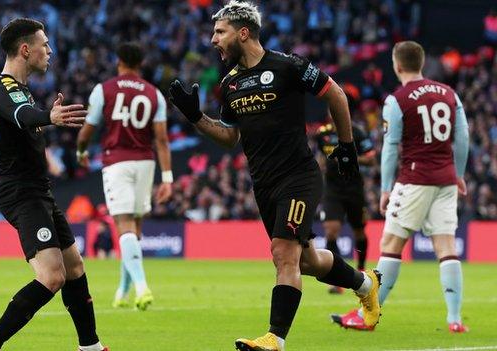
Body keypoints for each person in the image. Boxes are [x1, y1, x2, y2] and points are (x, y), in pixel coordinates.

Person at [168, 2, 380, 350]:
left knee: (283, 254)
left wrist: (346, 146)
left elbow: (336, 94)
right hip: (264, 184)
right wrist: (196, 117)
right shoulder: (230, 83)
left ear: (243, 32)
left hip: (298, 177)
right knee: (307, 261)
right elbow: (229, 137)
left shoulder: (288, 66)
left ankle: (274, 338)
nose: (213, 40)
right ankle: (364, 284)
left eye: (220, 32)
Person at [0, 18, 107, 351]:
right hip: (20, 192)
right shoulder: (0, 89)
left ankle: (89, 346)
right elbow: (24, 116)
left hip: (38, 190)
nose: (50, 50)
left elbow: (26, 116)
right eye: (44, 44)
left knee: (74, 267)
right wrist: (49, 117)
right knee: (51, 276)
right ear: (24, 49)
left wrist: (45, 117)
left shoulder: (22, 90)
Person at [331, 41, 469, 333]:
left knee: (390, 246)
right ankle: (454, 319)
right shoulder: (449, 93)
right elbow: (463, 136)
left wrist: (384, 188)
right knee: (446, 248)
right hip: (445, 179)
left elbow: (391, 147)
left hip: (415, 179)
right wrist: (458, 174)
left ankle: (367, 315)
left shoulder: (398, 99)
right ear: (420, 63)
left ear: (396, 65)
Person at [76, 42, 173, 311]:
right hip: (145, 163)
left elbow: (88, 129)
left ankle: (142, 287)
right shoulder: (155, 94)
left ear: (119, 61)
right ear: (141, 64)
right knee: (134, 231)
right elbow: (162, 140)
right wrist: (167, 178)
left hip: (117, 161)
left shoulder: (103, 90)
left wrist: (81, 151)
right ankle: (123, 291)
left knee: (124, 225)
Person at [316, 119, 376, 294]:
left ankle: (361, 269)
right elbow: (320, 157)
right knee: (331, 230)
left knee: (359, 231)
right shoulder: (323, 134)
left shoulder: (357, 132)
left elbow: (371, 160)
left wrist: (348, 157)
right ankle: (337, 278)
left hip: (354, 189)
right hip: (332, 190)